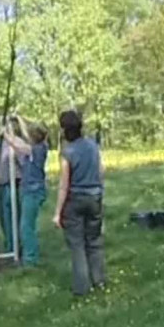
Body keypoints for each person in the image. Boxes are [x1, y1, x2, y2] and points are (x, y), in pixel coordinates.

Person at [53, 110, 106, 296]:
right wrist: (99, 193)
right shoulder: (93, 145)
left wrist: (57, 213)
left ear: (64, 130)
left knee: (77, 244)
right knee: (94, 241)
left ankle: (82, 287)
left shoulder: (67, 152)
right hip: (94, 197)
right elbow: (101, 171)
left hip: (75, 199)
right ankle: (99, 280)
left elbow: (64, 184)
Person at [3, 117, 49, 267]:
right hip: (29, 190)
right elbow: (24, 138)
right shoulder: (37, 146)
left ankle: (30, 259)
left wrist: (6, 134)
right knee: (26, 225)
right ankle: (29, 256)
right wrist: (19, 119)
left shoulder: (37, 149)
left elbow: (18, 146)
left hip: (33, 191)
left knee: (26, 226)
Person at [0, 122, 23, 254]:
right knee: (3, 217)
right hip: (0, 184)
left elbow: (24, 163)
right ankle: (8, 242)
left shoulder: (17, 143)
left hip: (12, 183)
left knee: (11, 216)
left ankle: (14, 246)